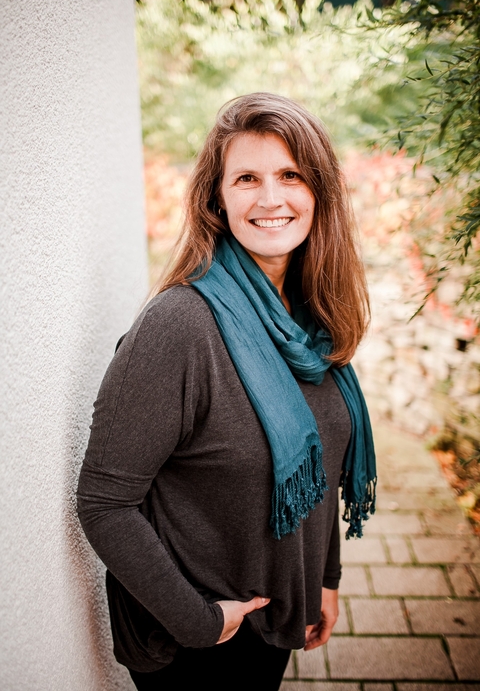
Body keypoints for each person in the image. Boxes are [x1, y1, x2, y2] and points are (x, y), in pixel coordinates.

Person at [77, 92, 376, 691]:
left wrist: (325, 578)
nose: (270, 199)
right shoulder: (181, 326)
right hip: (198, 643)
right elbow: (104, 503)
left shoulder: (312, 321)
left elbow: (322, 461)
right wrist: (201, 621)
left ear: (319, 193)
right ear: (218, 197)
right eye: (246, 178)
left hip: (274, 621)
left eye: (290, 175)